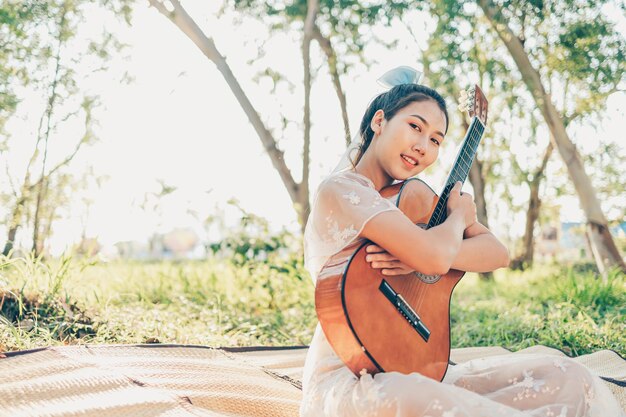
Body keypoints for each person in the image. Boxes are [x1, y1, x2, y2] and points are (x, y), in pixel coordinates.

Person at [299, 67, 624, 417]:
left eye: (436, 140)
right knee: (420, 400)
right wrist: (456, 219)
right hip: (351, 373)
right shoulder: (342, 189)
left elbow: (496, 253)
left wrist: (417, 255)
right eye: (415, 127)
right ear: (380, 121)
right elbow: (437, 258)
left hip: (418, 362)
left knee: (566, 376)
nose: (423, 146)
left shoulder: (416, 199)